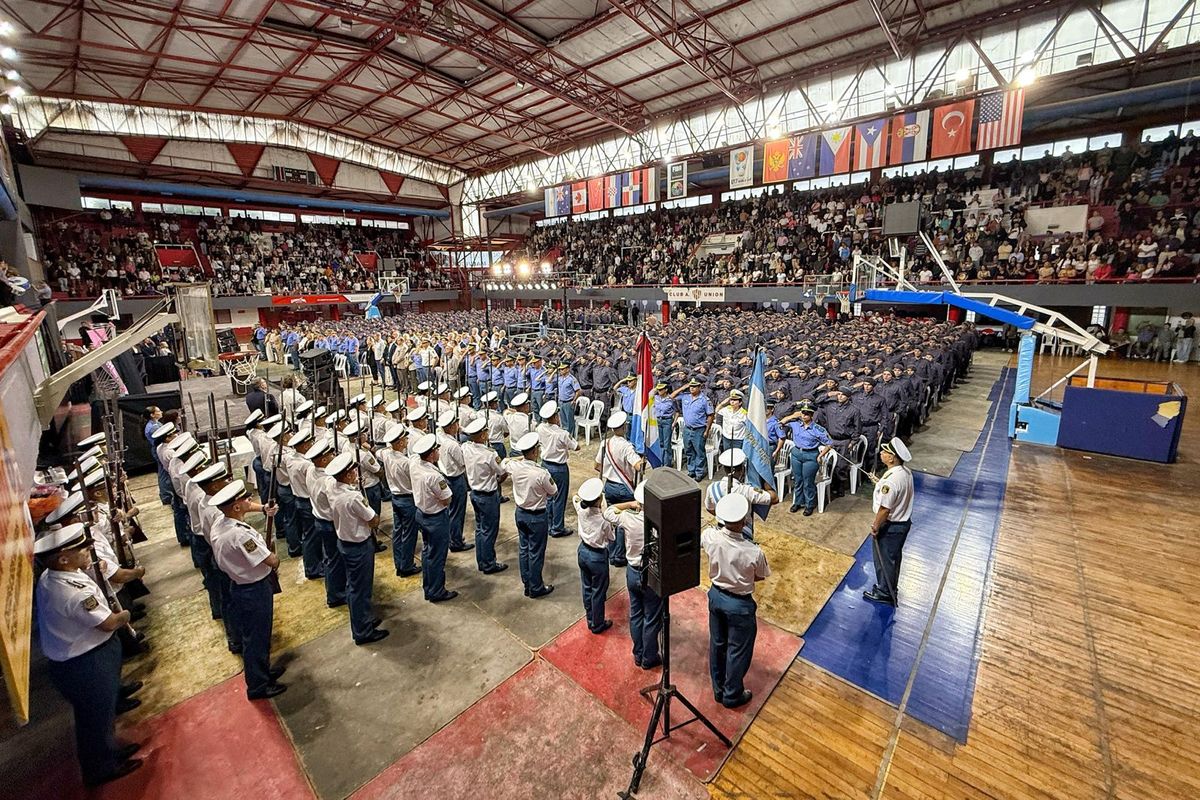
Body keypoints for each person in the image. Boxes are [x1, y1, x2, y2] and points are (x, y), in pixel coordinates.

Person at [34, 524, 144, 787]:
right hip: (85, 662)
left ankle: (109, 751)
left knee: (100, 714)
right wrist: (124, 617)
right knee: (94, 719)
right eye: (81, 549)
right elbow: (107, 623)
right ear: (63, 558)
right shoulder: (71, 591)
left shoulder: (57, 576)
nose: (87, 551)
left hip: (83, 657)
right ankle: (101, 768)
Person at [207, 480, 285, 700]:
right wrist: (274, 556)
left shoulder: (221, 524)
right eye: (245, 500)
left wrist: (263, 509)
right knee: (257, 638)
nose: (249, 501)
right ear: (236, 507)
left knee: (256, 636)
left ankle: (263, 671)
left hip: (240, 585)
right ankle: (258, 685)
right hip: (254, 588)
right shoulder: (239, 535)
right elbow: (271, 560)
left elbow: (246, 509)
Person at [702, 494, 770, 709]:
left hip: (715, 595)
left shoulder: (709, 537)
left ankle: (718, 688)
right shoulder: (753, 551)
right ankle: (732, 694)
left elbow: (706, 538)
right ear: (744, 521)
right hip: (739, 603)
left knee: (717, 643)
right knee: (738, 650)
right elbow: (759, 576)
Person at [326, 452, 388, 645]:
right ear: (346, 474)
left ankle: (364, 619)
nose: (355, 472)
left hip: (344, 542)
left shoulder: (332, 487)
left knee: (354, 586)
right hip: (358, 545)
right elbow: (373, 519)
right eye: (352, 470)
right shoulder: (352, 498)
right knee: (360, 589)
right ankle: (362, 630)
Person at [573, 477, 637, 634]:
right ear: (598, 501)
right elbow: (612, 538)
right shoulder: (603, 520)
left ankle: (590, 617)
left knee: (587, 587)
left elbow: (575, 497)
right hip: (597, 556)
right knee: (598, 591)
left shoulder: (581, 509)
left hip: (583, 551)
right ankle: (597, 623)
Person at [504, 432, 557, 598]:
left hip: (520, 513)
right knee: (536, 552)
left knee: (524, 549)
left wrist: (522, 459)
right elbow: (553, 492)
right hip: (537, 516)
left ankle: (527, 583)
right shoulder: (541, 473)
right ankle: (536, 587)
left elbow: (505, 462)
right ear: (535, 452)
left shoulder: (515, 467)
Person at [863, 438, 915, 606]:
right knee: (893, 559)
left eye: (885, 452)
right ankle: (890, 588)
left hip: (891, 526)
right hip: (903, 524)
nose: (881, 453)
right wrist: (879, 483)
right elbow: (894, 492)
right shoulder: (904, 472)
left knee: (884, 560)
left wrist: (876, 526)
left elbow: (885, 509)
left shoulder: (891, 481)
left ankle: (885, 592)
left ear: (892, 458)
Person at [411, 433, 457, 602]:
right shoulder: (434, 476)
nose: (439, 452)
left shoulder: (415, 464)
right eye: (436, 450)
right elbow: (447, 499)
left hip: (421, 514)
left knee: (428, 552)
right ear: (431, 454)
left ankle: (429, 587)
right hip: (435, 517)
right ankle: (437, 590)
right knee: (437, 556)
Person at [620, 482, 661, 669]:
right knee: (651, 617)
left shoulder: (628, 519)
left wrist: (629, 505)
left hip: (632, 571)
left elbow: (609, 512)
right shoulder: (657, 523)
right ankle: (649, 657)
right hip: (650, 572)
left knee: (636, 614)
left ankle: (638, 653)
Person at [594, 410, 643, 567]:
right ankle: (619, 556)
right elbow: (637, 466)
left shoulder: (604, 443)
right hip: (624, 487)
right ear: (624, 427)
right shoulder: (627, 446)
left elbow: (596, 466)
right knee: (624, 522)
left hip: (609, 486)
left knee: (611, 518)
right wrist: (642, 461)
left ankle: (612, 551)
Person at [462, 417, 508, 574]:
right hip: (488, 495)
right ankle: (489, 563)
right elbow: (502, 472)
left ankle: (482, 560)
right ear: (482, 435)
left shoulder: (467, 448)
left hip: (475, 493)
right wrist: (497, 481)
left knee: (480, 529)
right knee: (489, 530)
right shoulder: (490, 454)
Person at [703, 449, 777, 540]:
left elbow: (710, 508)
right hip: (742, 534)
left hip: (722, 531)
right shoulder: (747, 490)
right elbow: (774, 498)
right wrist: (766, 480)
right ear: (742, 470)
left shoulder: (712, 487)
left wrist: (725, 517)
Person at [378, 425, 420, 577]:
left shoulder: (387, 454)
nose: (407, 441)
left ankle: (399, 563)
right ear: (400, 442)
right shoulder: (405, 462)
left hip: (396, 498)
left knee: (398, 532)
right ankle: (407, 566)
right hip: (408, 499)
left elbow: (377, 452)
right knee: (409, 534)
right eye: (405, 439)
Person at [779, 401, 833, 515]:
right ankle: (798, 502)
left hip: (810, 455)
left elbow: (830, 443)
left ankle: (809, 504)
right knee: (798, 480)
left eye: (807, 414)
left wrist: (821, 455)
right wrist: (794, 415)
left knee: (808, 481)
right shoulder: (795, 424)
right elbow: (782, 422)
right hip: (797, 453)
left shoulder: (818, 429)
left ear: (812, 415)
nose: (804, 416)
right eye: (803, 413)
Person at [536, 400, 578, 538]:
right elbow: (576, 446)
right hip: (559, 467)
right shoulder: (562, 434)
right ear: (555, 417)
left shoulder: (540, 428)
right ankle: (557, 527)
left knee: (548, 497)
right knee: (559, 498)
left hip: (545, 465)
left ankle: (548, 524)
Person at [435, 411, 472, 552]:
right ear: (451, 427)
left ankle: (453, 536)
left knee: (451, 511)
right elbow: (463, 463)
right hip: (455, 479)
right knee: (457, 512)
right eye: (456, 424)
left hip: (446, 476)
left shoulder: (440, 437)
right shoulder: (452, 445)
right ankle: (456, 541)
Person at [675, 378, 714, 481]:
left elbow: (710, 415)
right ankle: (691, 471)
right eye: (691, 386)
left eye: (694, 386)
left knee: (699, 452)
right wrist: (683, 388)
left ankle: (699, 472)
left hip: (699, 429)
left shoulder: (705, 400)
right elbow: (671, 396)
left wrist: (707, 430)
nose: (692, 388)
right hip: (687, 429)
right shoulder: (685, 397)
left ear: (700, 387)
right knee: (689, 451)